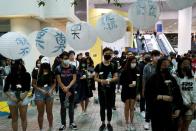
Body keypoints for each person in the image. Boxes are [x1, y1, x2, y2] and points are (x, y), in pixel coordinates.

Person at [145, 57, 183, 131]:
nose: (165, 66)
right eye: (163, 64)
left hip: (170, 110)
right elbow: (148, 94)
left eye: (167, 64)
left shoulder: (172, 79)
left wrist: (178, 108)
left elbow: (177, 94)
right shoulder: (153, 79)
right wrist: (160, 97)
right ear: (159, 65)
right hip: (157, 111)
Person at [94, 47, 118, 131]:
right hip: (101, 91)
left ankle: (109, 123)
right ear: (103, 54)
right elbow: (95, 78)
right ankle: (103, 123)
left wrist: (110, 80)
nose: (108, 55)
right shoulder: (98, 66)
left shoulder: (113, 65)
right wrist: (101, 80)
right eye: (106, 53)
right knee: (102, 107)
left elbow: (116, 77)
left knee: (109, 107)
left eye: (109, 54)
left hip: (111, 90)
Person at [4, 59, 31, 131]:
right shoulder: (10, 75)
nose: (20, 65)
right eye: (19, 64)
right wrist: (12, 98)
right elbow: (5, 89)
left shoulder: (27, 75)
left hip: (23, 96)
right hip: (12, 96)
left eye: (21, 63)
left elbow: (28, 88)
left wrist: (20, 98)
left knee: (23, 117)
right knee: (14, 118)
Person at [32, 57, 56, 131]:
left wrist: (51, 90)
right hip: (39, 92)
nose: (45, 65)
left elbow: (54, 83)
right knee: (40, 113)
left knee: (49, 112)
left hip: (49, 91)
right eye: (43, 64)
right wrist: (41, 90)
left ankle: (51, 127)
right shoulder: (36, 72)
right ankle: (41, 129)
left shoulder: (51, 72)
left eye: (46, 64)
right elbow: (33, 84)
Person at [55, 51, 78, 130]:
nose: (66, 60)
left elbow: (74, 78)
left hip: (71, 90)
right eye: (64, 58)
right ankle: (63, 124)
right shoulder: (58, 68)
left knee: (71, 106)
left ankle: (71, 122)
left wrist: (68, 87)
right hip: (62, 90)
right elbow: (59, 80)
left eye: (67, 58)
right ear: (61, 59)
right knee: (63, 107)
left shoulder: (73, 67)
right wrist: (64, 88)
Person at [120, 56, 140, 131]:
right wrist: (128, 84)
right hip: (126, 90)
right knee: (126, 107)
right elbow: (121, 81)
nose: (134, 63)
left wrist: (138, 92)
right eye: (132, 62)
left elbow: (139, 81)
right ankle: (127, 123)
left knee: (132, 108)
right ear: (129, 62)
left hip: (133, 91)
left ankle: (131, 123)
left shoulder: (137, 70)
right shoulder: (124, 71)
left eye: (135, 62)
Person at [176, 57, 196, 131]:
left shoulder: (191, 75)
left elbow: (194, 90)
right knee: (178, 126)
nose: (187, 65)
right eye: (185, 63)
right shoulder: (175, 76)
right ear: (180, 65)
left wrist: (194, 103)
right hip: (179, 106)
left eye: (188, 64)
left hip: (190, 105)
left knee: (186, 127)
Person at [142, 50, 161, 130]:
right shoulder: (147, 66)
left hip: (159, 90)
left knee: (158, 107)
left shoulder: (161, 66)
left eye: (158, 55)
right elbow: (144, 79)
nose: (157, 57)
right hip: (149, 90)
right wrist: (143, 89)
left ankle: (156, 121)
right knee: (149, 106)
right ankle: (147, 121)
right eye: (155, 56)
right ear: (152, 57)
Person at [138, 54, 151, 118]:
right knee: (142, 98)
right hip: (142, 84)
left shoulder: (150, 65)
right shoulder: (141, 65)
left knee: (148, 98)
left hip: (150, 84)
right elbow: (140, 76)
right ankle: (142, 110)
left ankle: (147, 110)